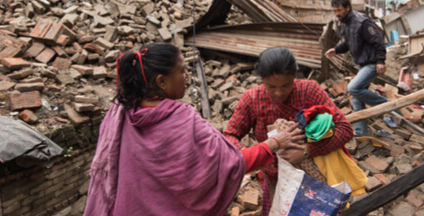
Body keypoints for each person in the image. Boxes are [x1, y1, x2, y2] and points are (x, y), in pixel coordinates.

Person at [83, 43, 304, 216]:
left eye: (285, 85)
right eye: (182, 71)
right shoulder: (182, 118)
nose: (187, 76)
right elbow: (231, 163)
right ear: (161, 81)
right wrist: (275, 143)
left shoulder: (119, 112)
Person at [224, 47, 354, 216]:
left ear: (294, 76)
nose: (279, 93)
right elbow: (229, 136)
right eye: (271, 87)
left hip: (315, 179)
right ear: (262, 79)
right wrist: (258, 155)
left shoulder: (309, 91)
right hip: (277, 181)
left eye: (286, 85)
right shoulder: (252, 99)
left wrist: (307, 151)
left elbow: (345, 129)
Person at [325, 0, 387, 136]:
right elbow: (348, 43)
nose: (337, 14)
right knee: (356, 97)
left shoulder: (362, 22)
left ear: (347, 8)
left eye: (339, 10)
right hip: (362, 63)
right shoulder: (345, 22)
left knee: (353, 88)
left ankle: (385, 106)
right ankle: (361, 132)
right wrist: (335, 50)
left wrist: (381, 60)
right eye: (335, 11)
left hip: (372, 62)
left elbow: (378, 40)